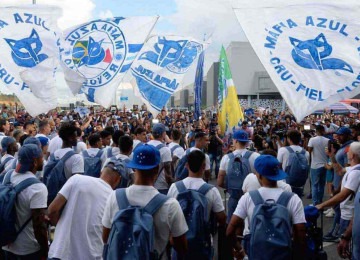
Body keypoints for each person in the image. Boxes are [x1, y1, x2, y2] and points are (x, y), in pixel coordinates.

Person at [102, 144, 188, 257]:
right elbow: (181, 247)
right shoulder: (170, 205)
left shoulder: (115, 196)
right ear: (157, 169)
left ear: (133, 168)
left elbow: (106, 237)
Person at [226, 155, 306, 260]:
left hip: (256, 254)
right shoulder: (293, 199)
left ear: (259, 175)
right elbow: (300, 232)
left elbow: (230, 230)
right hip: (283, 254)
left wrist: (240, 250)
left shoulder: (248, 198)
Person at [47, 159, 123, 260]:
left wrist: (60, 227)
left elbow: (52, 210)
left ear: (101, 172)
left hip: (59, 253)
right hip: (91, 256)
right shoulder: (114, 198)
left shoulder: (76, 179)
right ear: (118, 180)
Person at [168, 150, 226, 259]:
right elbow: (222, 218)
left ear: (186, 165)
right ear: (204, 166)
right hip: (202, 242)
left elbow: (168, 214)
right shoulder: (211, 191)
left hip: (178, 241)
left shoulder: (175, 187)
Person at [2, 144, 48, 259]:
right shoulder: (37, 187)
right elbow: (39, 226)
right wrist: (45, 250)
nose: (43, 159)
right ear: (35, 161)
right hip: (28, 248)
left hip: (6, 243)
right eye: (41, 157)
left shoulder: (8, 175)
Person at [316, 142, 360, 241]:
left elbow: (342, 196)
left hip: (349, 216)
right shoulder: (353, 169)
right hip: (347, 214)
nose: (346, 153)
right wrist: (332, 155)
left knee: (349, 246)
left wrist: (322, 205)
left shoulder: (355, 173)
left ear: (352, 155)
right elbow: (339, 170)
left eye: (348, 151)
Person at [217, 130, 260, 222]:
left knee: (233, 222)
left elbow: (220, 181)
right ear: (247, 142)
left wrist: (230, 187)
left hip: (234, 196)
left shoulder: (226, 158)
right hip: (251, 196)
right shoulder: (256, 156)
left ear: (235, 141)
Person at [277, 130, 310, 196]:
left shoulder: (283, 150)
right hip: (300, 183)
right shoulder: (306, 153)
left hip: (285, 182)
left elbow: (278, 166)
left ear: (289, 139)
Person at [148, 123, 173, 194]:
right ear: (164, 134)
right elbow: (168, 173)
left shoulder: (145, 145)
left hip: (147, 185)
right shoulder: (165, 150)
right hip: (161, 186)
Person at [307, 125, 329, 205]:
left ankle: (315, 203)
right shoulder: (328, 140)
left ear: (316, 131)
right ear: (323, 131)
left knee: (314, 185)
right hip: (325, 165)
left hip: (315, 165)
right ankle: (320, 201)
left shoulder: (312, 139)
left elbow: (309, 151)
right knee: (322, 185)